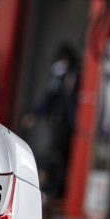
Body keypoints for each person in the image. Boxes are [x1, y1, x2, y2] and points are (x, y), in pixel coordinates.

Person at [25, 43, 81, 200]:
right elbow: (48, 97)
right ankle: (50, 190)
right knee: (55, 156)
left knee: (58, 158)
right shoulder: (59, 77)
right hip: (59, 123)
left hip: (68, 125)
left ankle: (53, 191)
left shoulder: (75, 76)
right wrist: (35, 113)